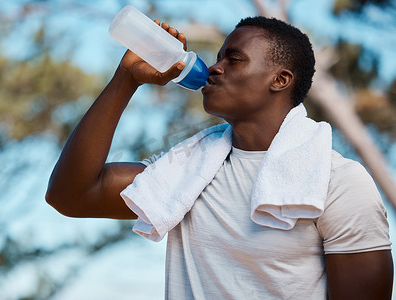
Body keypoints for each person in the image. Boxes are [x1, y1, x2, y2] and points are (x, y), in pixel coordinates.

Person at [45, 16, 393, 299]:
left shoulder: (336, 182)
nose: (214, 68)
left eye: (234, 59)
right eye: (218, 57)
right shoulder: (184, 173)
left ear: (280, 79)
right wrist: (126, 80)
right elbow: (70, 196)